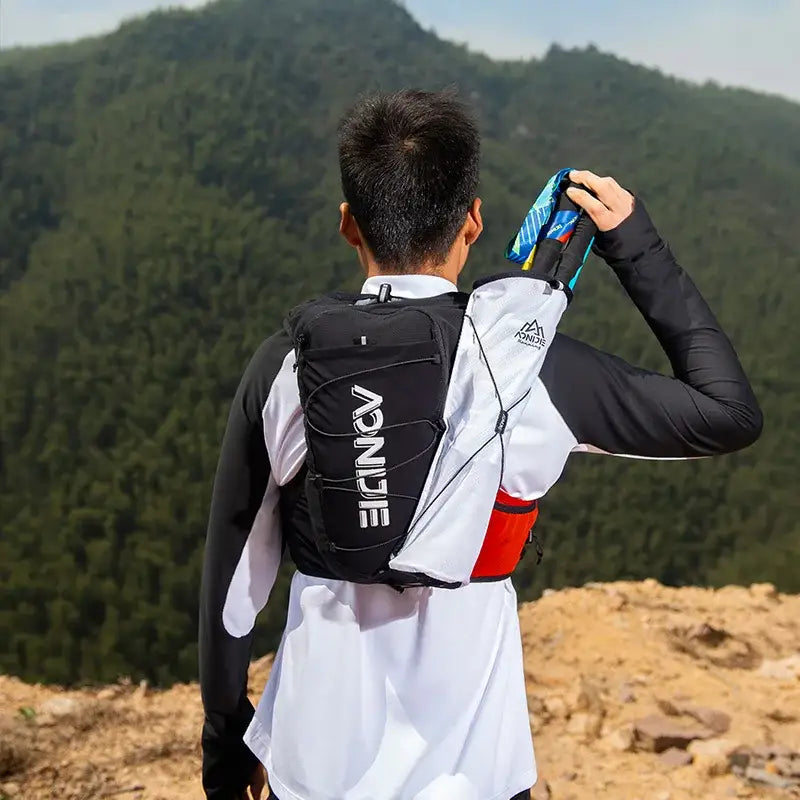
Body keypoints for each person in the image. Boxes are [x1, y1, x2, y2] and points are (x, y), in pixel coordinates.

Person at [199, 90, 762, 800]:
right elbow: (727, 411)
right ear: (473, 220)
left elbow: (234, 579)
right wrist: (636, 245)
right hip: (477, 773)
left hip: (315, 765)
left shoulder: (289, 363)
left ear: (348, 225)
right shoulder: (535, 370)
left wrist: (227, 737)